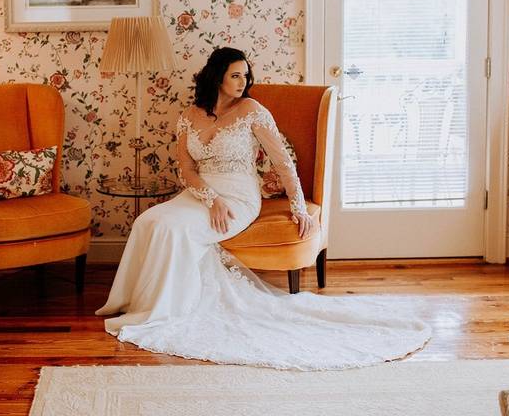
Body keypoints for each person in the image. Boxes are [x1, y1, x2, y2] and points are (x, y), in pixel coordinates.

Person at [96, 47, 431, 370]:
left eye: (245, 75)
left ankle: (163, 310)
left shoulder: (252, 110)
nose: (243, 82)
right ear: (217, 78)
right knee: (148, 220)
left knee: (173, 228)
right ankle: (136, 303)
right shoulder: (189, 116)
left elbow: (282, 162)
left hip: (240, 197)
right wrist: (211, 199)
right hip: (202, 195)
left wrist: (300, 207)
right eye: (235, 75)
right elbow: (186, 170)